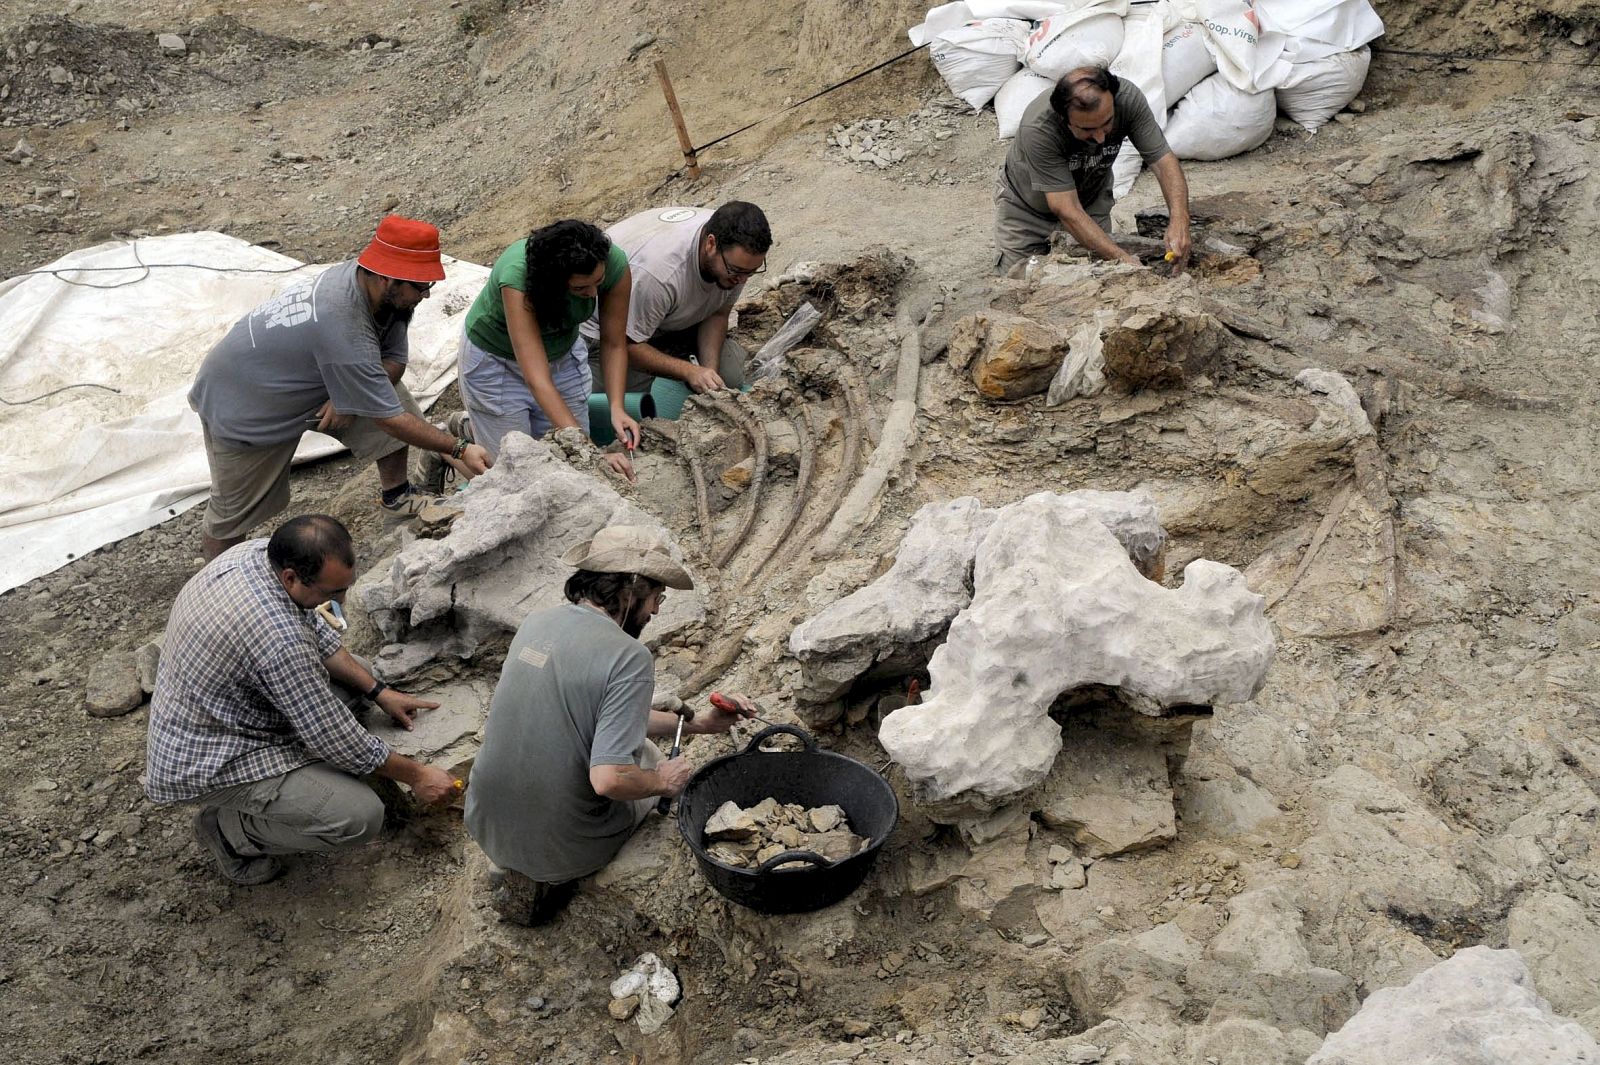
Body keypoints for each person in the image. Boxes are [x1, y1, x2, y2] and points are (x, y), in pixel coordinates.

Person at [463, 525, 758, 925]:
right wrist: (662, 782)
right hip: (565, 844)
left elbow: (593, 713)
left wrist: (702, 726)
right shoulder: (628, 656)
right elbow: (609, 780)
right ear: (630, 589)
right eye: (657, 597)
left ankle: (518, 860)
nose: (655, 610)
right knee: (647, 758)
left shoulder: (536, 623)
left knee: (631, 747)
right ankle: (556, 871)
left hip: (485, 820)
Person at [144, 514, 458, 885]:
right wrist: (418, 775)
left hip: (230, 707)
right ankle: (230, 832)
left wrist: (379, 691)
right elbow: (335, 740)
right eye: (331, 594)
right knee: (358, 817)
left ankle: (278, 794)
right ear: (291, 577)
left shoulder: (259, 554)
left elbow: (316, 637)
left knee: (356, 672)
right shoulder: (276, 639)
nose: (341, 601)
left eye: (344, 588)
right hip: (214, 755)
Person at [189, 215, 493, 562]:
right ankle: (217, 582)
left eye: (428, 285)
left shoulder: (386, 298)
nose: (425, 295)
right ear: (385, 277)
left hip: (310, 377)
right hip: (246, 402)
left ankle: (398, 499)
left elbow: (394, 361)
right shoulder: (342, 320)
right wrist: (458, 448)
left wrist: (346, 397)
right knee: (232, 513)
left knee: (392, 396)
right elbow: (389, 420)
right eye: (420, 286)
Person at [457, 219, 639, 479]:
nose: (592, 293)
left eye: (598, 282)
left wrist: (617, 407)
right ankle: (455, 442)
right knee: (514, 470)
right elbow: (537, 378)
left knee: (572, 459)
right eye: (580, 288)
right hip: (497, 361)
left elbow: (613, 342)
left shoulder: (613, 264)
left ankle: (472, 425)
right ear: (553, 282)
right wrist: (594, 455)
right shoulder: (518, 278)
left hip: (562, 354)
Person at [994, 66, 1193, 275]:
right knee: (1018, 285)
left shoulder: (1127, 100)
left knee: (1098, 281)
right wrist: (1124, 261)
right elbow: (1066, 208)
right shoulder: (1039, 129)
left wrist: (1179, 220)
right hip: (1028, 212)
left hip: (1090, 203)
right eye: (1087, 129)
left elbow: (1163, 163)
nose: (1100, 138)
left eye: (1107, 123)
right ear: (1064, 119)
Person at [580, 201, 772, 397]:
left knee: (730, 378)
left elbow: (717, 314)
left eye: (751, 272)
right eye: (737, 271)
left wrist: (709, 374)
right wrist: (689, 371)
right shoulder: (659, 275)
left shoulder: (735, 255)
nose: (742, 280)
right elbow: (623, 344)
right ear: (711, 244)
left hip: (664, 319)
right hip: (607, 334)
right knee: (640, 401)